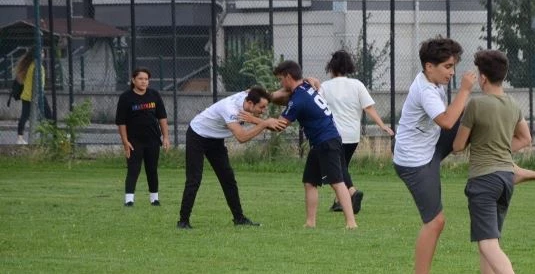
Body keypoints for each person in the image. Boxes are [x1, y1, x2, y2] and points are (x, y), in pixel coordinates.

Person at [453, 50, 535, 274]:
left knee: (487, 243)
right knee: (489, 242)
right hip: (505, 178)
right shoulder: (513, 104)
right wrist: (501, 150)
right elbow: (525, 138)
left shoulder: (476, 105)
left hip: (483, 179)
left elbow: (458, 146)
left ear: (482, 78)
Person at [393, 37, 476, 274]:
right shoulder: (426, 90)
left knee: (475, 116)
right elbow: (447, 121)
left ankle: (503, 166)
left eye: (454, 66)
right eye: (447, 66)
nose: (452, 72)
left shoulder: (434, 82)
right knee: (435, 222)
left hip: (429, 148)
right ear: (429, 66)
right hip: (415, 161)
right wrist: (465, 90)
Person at [177, 85, 286, 229]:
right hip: (197, 135)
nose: (264, 110)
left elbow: (253, 89)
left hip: (215, 139)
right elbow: (242, 137)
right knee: (194, 179)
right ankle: (183, 222)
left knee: (228, 178)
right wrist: (263, 124)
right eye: (262, 107)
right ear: (250, 103)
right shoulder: (230, 109)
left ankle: (239, 219)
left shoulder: (248, 96)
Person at [271, 60, 358, 230]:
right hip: (322, 142)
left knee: (337, 182)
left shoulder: (298, 99)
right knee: (310, 182)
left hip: (326, 141)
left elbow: (280, 125)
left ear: (288, 77)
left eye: (281, 79)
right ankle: (310, 223)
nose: (281, 84)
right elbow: (285, 92)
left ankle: (351, 223)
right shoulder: (305, 86)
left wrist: (258, 122)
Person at [320, 49, 394, 214]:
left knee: (336, 168)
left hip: (333, 135)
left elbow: (318, 108)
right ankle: (339, 201)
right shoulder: (357, 85)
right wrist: (382, 125)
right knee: (342, 166)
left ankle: (352, 192)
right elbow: (368, 108)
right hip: (353, 136)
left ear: (331, 67)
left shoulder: (325, 87)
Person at [115, 67, 170, 207]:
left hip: (152, 140)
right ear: (133, 80)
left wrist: (165, 137)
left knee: (152, 169)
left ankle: (154, 199)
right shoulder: (126, 97)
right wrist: (125, 142)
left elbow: (162, 117)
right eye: (140, 78)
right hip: (134, 141)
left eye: (146, 79)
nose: (143, 81)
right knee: (133, 169)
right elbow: (121, 122)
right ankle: (129, 200)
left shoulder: (154, 95)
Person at [14, 47, 53, 145]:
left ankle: (19, 138)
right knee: (48, 115)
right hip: (37, 95)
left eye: (43, 52)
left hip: (27, 95)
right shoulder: (38, 67)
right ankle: (52, 135)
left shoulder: (29, 65)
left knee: (24, 116)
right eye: (41, 52)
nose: (43, 54)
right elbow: (40, 84)